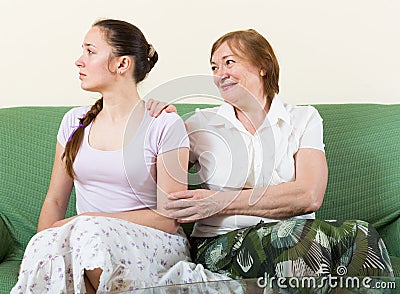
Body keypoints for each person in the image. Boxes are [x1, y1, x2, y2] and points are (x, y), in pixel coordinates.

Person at [147, 29, 393, 281]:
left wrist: (219, 201)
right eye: (214, 67)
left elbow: (308, 195)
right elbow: (149, 175)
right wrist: (161, 123)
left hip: (300, 232)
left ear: (263, 66)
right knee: (303, 247)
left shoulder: (303, 118)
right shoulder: (200, 124)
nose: (220, 74)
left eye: (229, 62)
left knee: (361, 234)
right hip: (223, 243)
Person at [11, 19, 192, 293]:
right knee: (65, 248)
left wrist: (87, 219)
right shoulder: (74, 122)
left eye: (90, 51)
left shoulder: (163, 124)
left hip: (153, 244)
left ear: (122, 64)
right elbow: (56, 199)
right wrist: (40, 249)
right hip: (89, 244)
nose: (79, 61)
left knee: (90, 234)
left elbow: (168, 219)